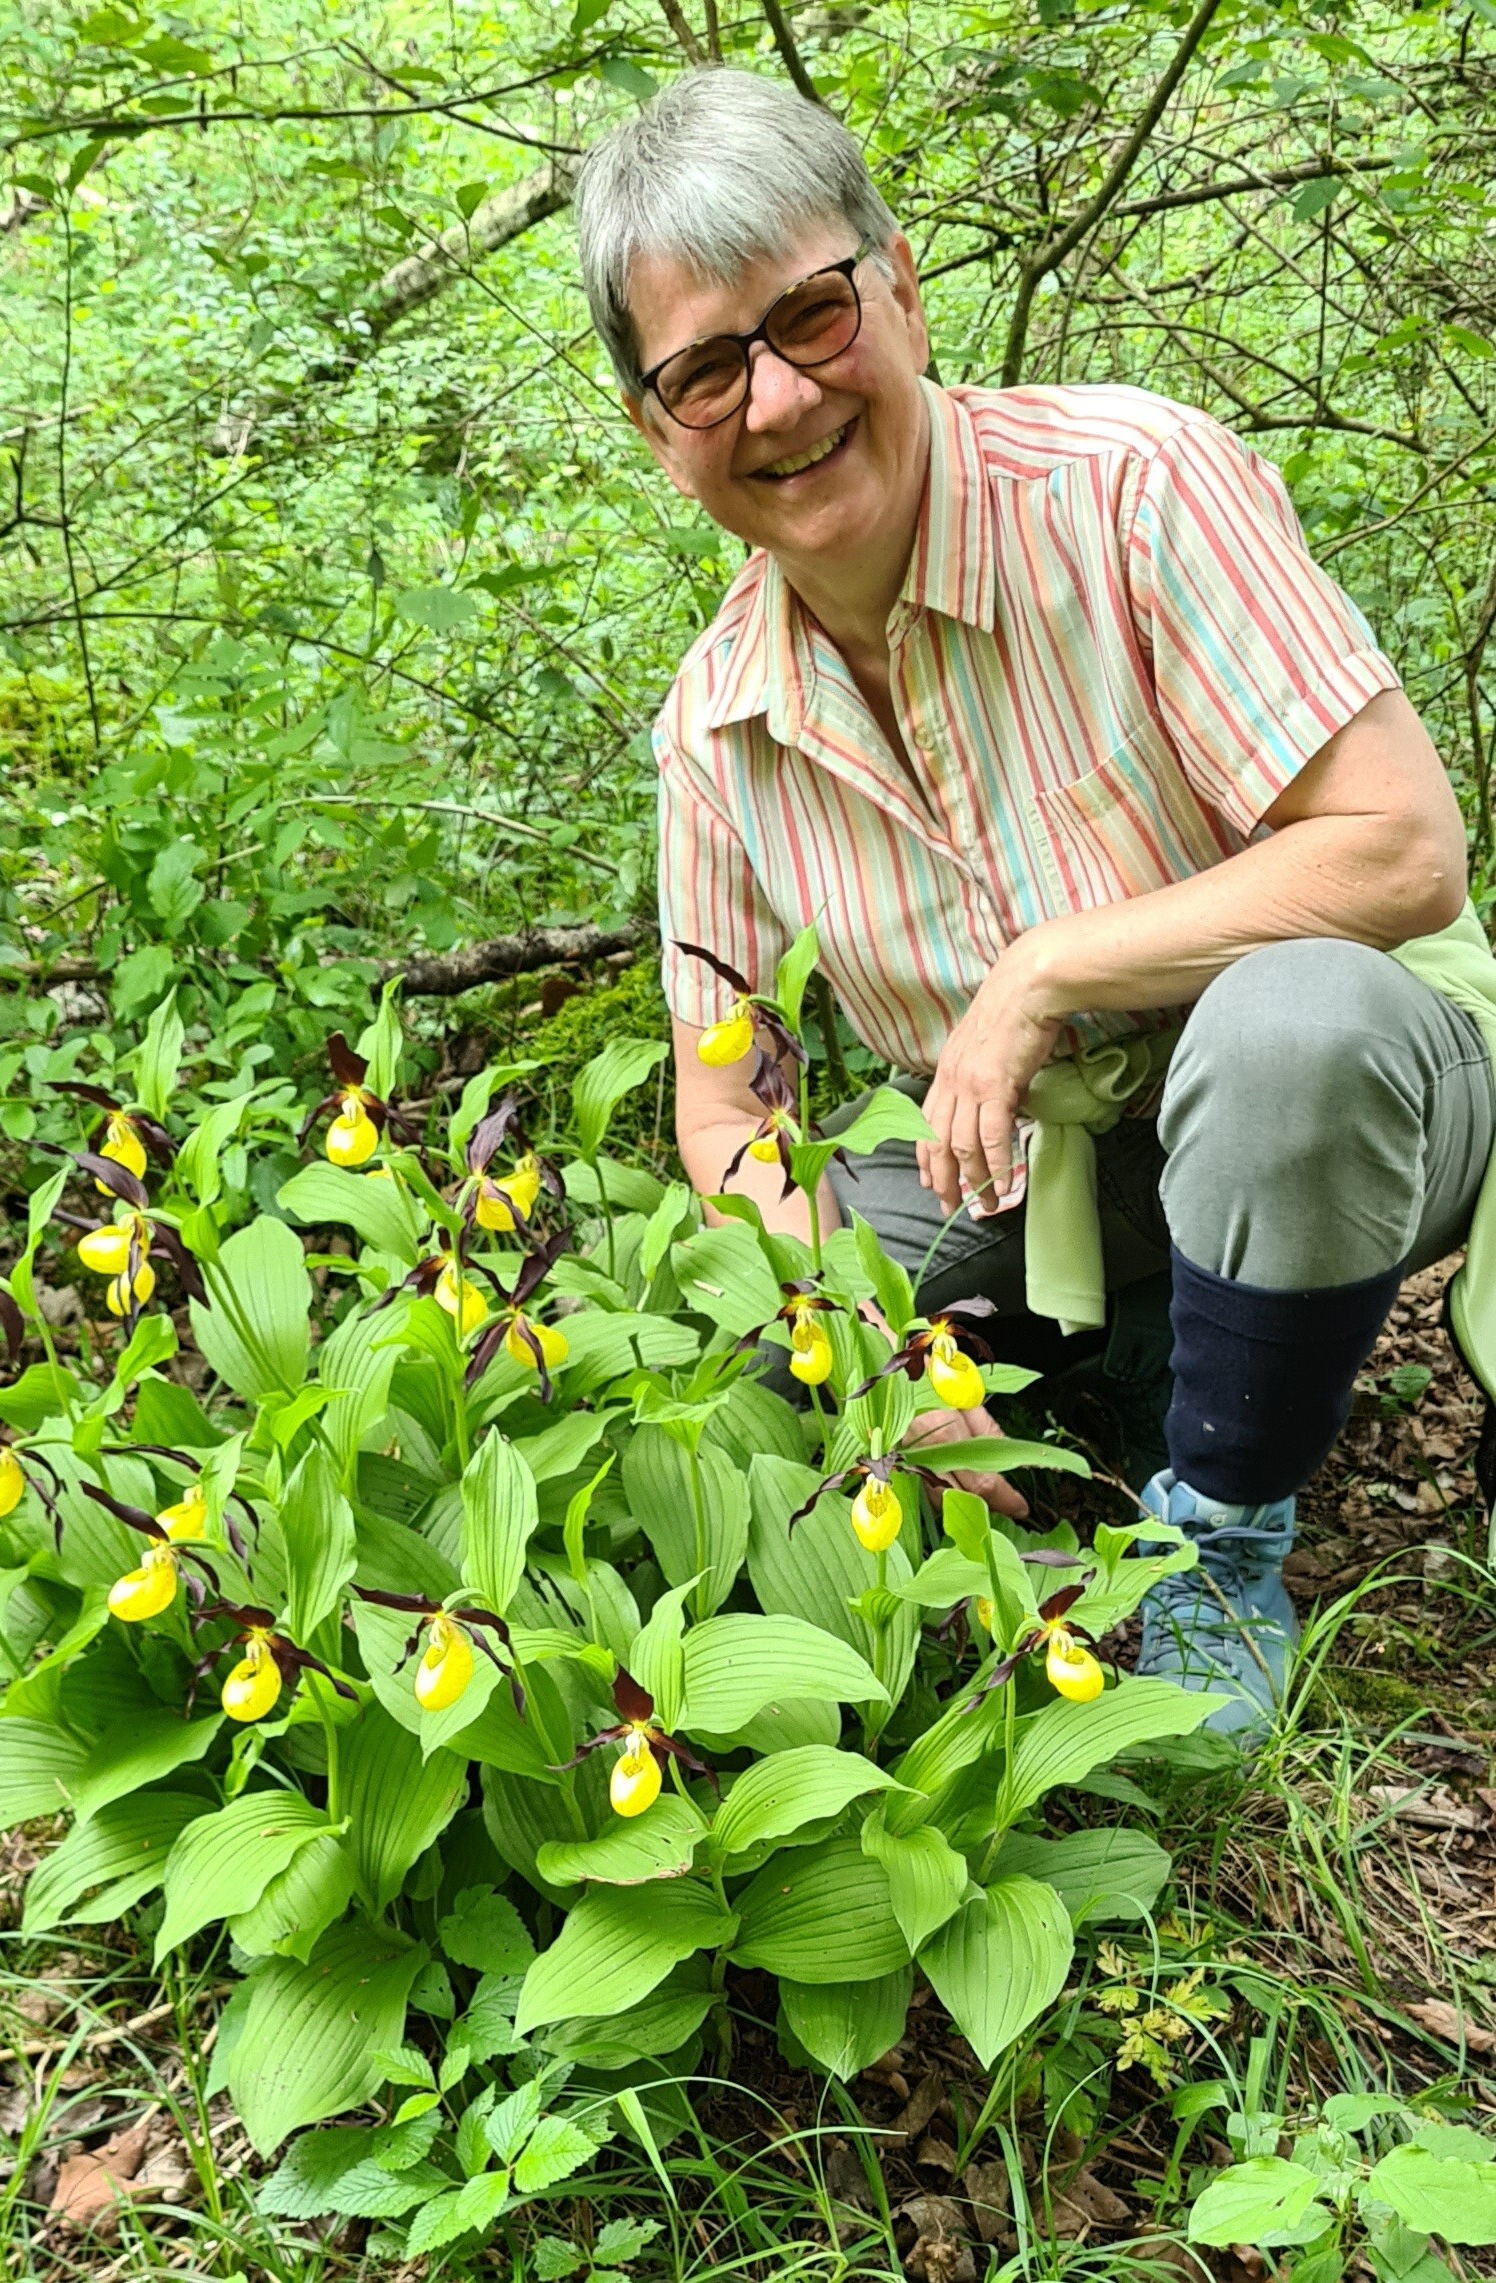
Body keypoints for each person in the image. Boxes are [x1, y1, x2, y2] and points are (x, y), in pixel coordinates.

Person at [574, 67, 1496, 1738]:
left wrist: (1044, 968)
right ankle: (1086, 1395)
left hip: (1360, 1088)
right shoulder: (716, 726)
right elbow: (730, 1116)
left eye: (812, 316)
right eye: (707, 370)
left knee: (1291, 1028)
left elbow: (1401, 851)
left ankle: (1223, 1532)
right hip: (1040, 1165)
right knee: (731, 1315)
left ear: (901, 288)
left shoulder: (1132, 485)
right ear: (658, 429)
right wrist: (876, 1354)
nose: (777, 400)